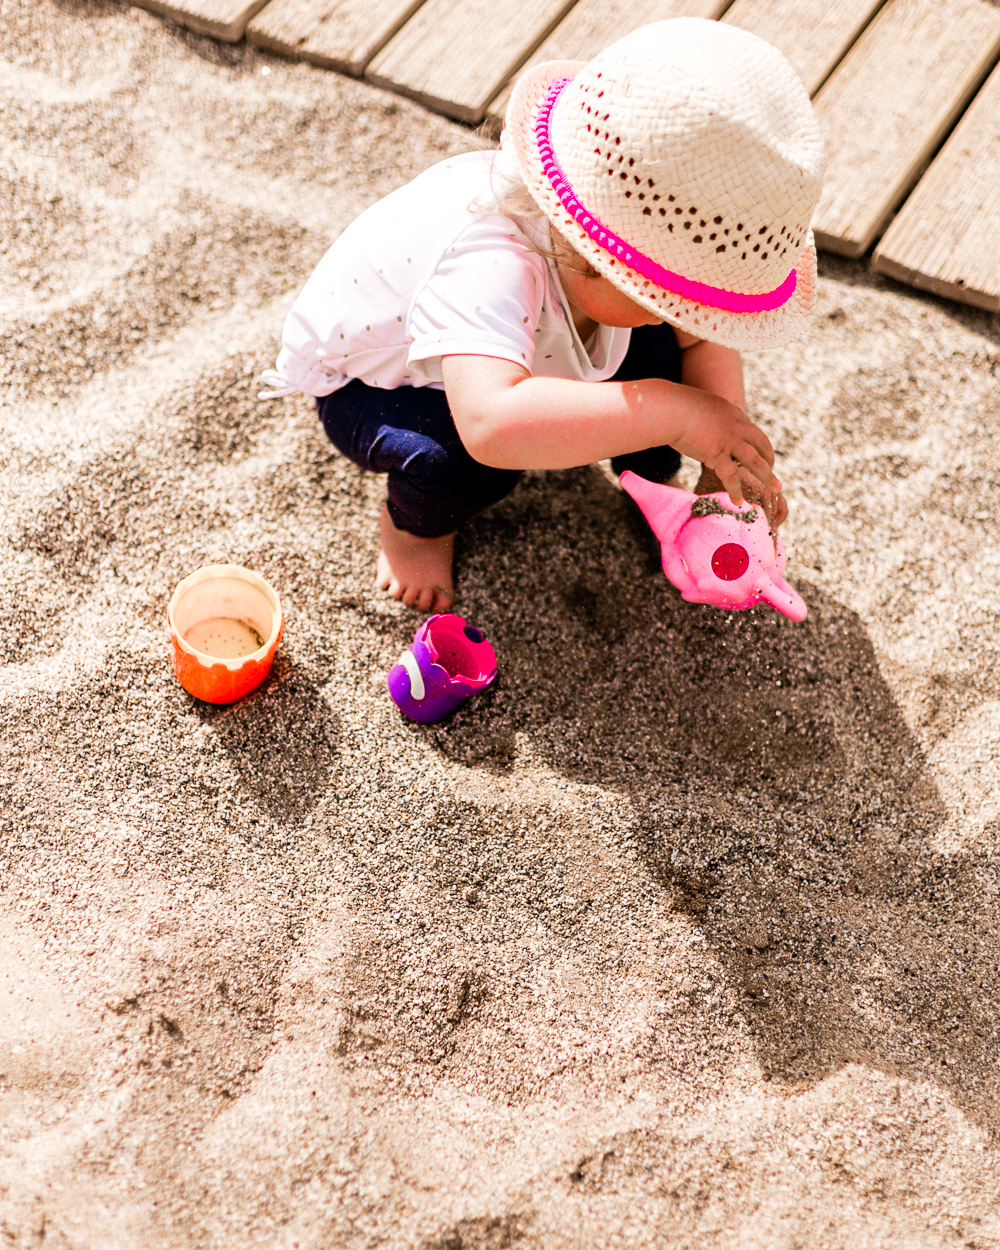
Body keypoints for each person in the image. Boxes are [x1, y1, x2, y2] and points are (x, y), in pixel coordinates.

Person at [260, 18, 825, 613]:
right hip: (382, 382)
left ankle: (655, 484)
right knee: (462, 462)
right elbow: (491, 422)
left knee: (668, 365)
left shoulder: (629, 236)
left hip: (532, 342)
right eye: (676, 305)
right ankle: (412, 531)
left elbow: (701, 347)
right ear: (601, 258)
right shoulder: (493, 259)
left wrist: (721, 444)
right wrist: (677, 413)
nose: (693, 322)